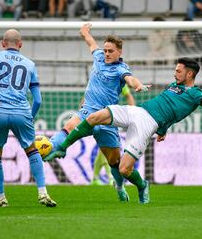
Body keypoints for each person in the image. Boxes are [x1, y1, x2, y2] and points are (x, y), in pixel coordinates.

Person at [48, 57, 202, 204]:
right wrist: (164, 129)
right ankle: (62, 147)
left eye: (178, 71)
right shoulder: (174, 85)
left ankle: (142, 185)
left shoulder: (195, 94)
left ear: (190, 74)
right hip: (138, 111)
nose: (174, 73)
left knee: (124, 170)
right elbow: (170, 108)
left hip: (146, 126)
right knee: (93, 118)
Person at [42, 23, 148, 203]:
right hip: (88, 110)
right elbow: (91, 43)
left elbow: (129, 78)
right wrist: (84, 32)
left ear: (119, 52)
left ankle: (136, 186)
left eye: (111, 51)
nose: (106, 54)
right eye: (106, 50)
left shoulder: (121, 69)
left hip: (107, 117)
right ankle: (54, 148)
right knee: (69, 126)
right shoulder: (98, 56)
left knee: (117, 164)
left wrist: (137, 85)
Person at [0, 29, 56, 208]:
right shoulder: (29, 64)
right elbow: (38, 99)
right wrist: (31, 116)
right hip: (21, 111)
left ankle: (0, 198)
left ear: (2, 43)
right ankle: (43, 193)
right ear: (20, 44)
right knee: (31, 150)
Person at [91, 84, 135, 186]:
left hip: (110, 116)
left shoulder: (118, 81)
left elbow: (128, 95)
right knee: (105, 148)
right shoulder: (98, 80)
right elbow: (87, 96)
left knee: (102, 150)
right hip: (97, 115)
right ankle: (110, 177)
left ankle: (95, 178)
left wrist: (133, 113)